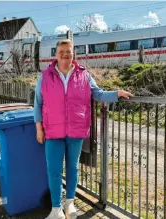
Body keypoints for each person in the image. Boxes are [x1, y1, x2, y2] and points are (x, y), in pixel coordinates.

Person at [34, 39, 132, 219]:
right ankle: (56, 209)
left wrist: (116, 94)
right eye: (61, 51)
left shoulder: (83, 75)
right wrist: (39, 129)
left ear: (73, 54)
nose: (65, 55)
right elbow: (38, 104)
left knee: (72, 168)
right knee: (54, 170)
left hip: (76, 130)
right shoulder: (45, 77)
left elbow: (98, 94)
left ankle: (69, 203)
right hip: (52, 131)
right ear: (56, 54)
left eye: (68, 52)